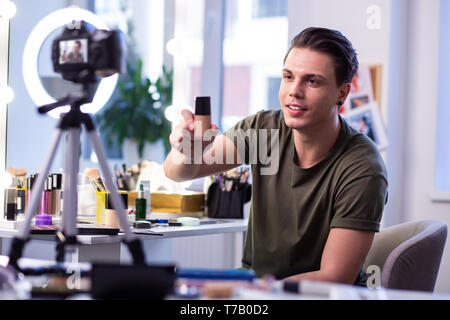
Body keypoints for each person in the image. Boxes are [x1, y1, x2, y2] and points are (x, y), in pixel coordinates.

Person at [163, 27, 388, 286]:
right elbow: (178, 172)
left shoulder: (361, 165)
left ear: (342, 93)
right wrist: (186, 150)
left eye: (312, 81)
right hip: (256, 289)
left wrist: (248, 289)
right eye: (288, 77)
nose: (294, 91)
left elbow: (334, 277)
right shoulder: (263, 130)